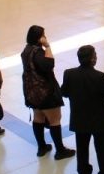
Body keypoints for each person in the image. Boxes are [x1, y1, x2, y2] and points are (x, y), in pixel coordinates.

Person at [61, 45, 104, 174]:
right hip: (99, 120)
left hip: (79, 119)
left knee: (82, 149)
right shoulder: (100, 76)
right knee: (103, 149)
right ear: (92, 59)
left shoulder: (69, 74)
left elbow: (64, 92)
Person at [22, 25, 75, 160]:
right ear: (39, 38)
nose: (45, 37)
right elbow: (49, 65)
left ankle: (42, 147)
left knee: (38, 117)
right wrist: (48, 47)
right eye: (43, 35)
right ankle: (60, 150)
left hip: (32, 92)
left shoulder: (26, 50)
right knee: (55, 119)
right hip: (46, 92)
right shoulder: (39, 52)